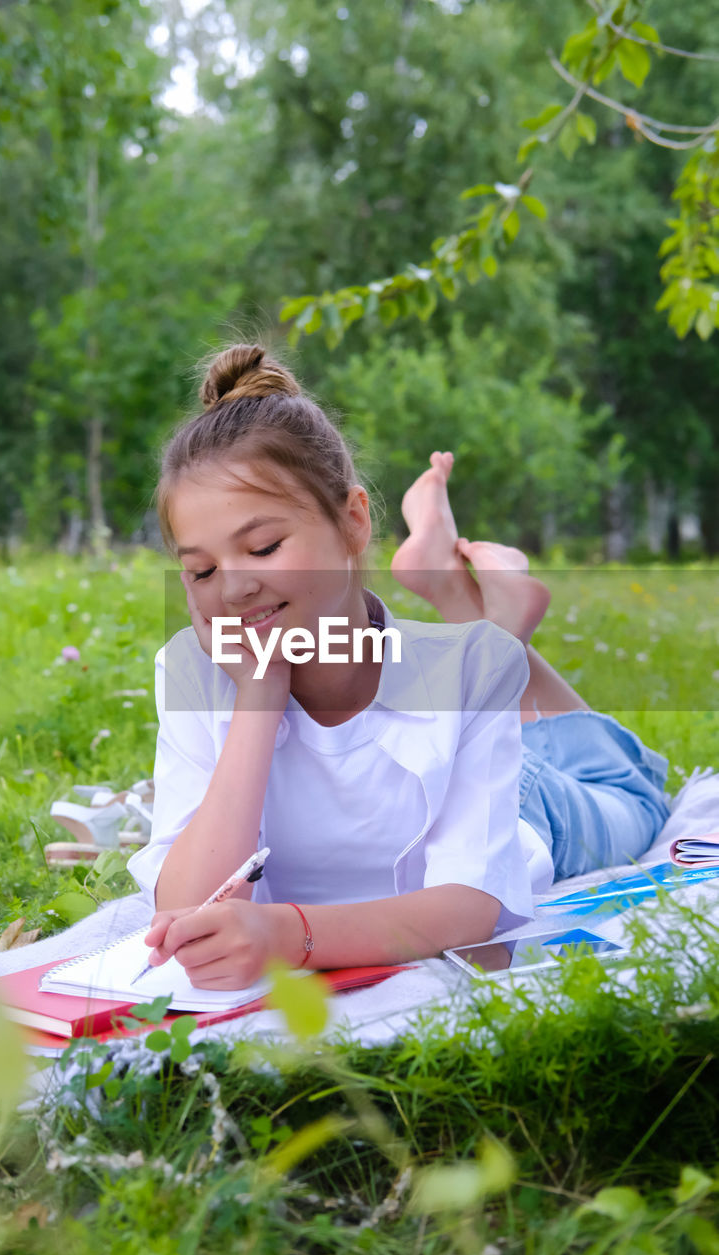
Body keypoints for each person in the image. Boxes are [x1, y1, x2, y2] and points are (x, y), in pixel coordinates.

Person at [128, 344, 669, 989]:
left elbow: (470, 906)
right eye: (202, 571)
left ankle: (501, 626)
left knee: (632, 790)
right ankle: (483, 615)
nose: (235, 588)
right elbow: (188, 910)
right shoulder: (195, 670)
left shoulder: (462, 680)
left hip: (522, 807)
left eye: (265, 546)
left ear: (354, 521)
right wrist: (259, 695)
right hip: (436, 744)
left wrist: (293, 936)